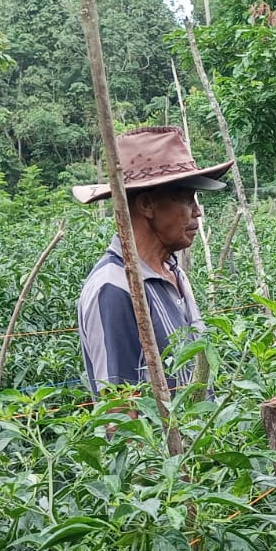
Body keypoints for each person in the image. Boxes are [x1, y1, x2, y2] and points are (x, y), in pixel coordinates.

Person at [71, 126, 232, 395]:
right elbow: (120, 412)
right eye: (185, 197)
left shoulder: (172, 271)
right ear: (147, 205)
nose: (198, 211)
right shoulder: (114, 288)